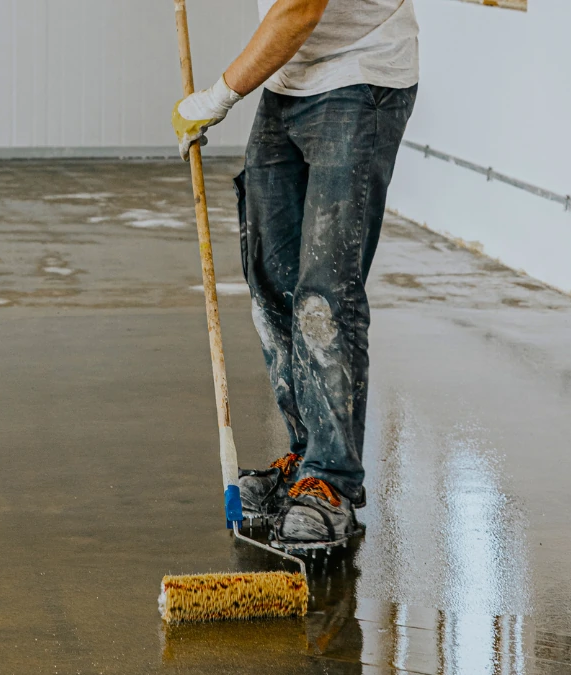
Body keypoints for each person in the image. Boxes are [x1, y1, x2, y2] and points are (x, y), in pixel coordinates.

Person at [172, 0, 418, 550]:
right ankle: (308, 455)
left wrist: (215, 97)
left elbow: (299, 9)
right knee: (271, 281)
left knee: (324, 298)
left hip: (361, 77)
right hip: (290, 80)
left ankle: (331, 481)